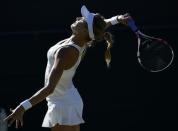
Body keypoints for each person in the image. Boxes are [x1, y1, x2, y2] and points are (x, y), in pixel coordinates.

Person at [4, 5, 131, 131]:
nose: (77, 18)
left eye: (82, 19)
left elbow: (49, 88)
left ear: (86, 31)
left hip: (64, 104)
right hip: (65, 101)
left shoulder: (66, 52)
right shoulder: (81, 39)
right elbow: (102, 25)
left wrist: (22, 107)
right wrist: (118, 18)